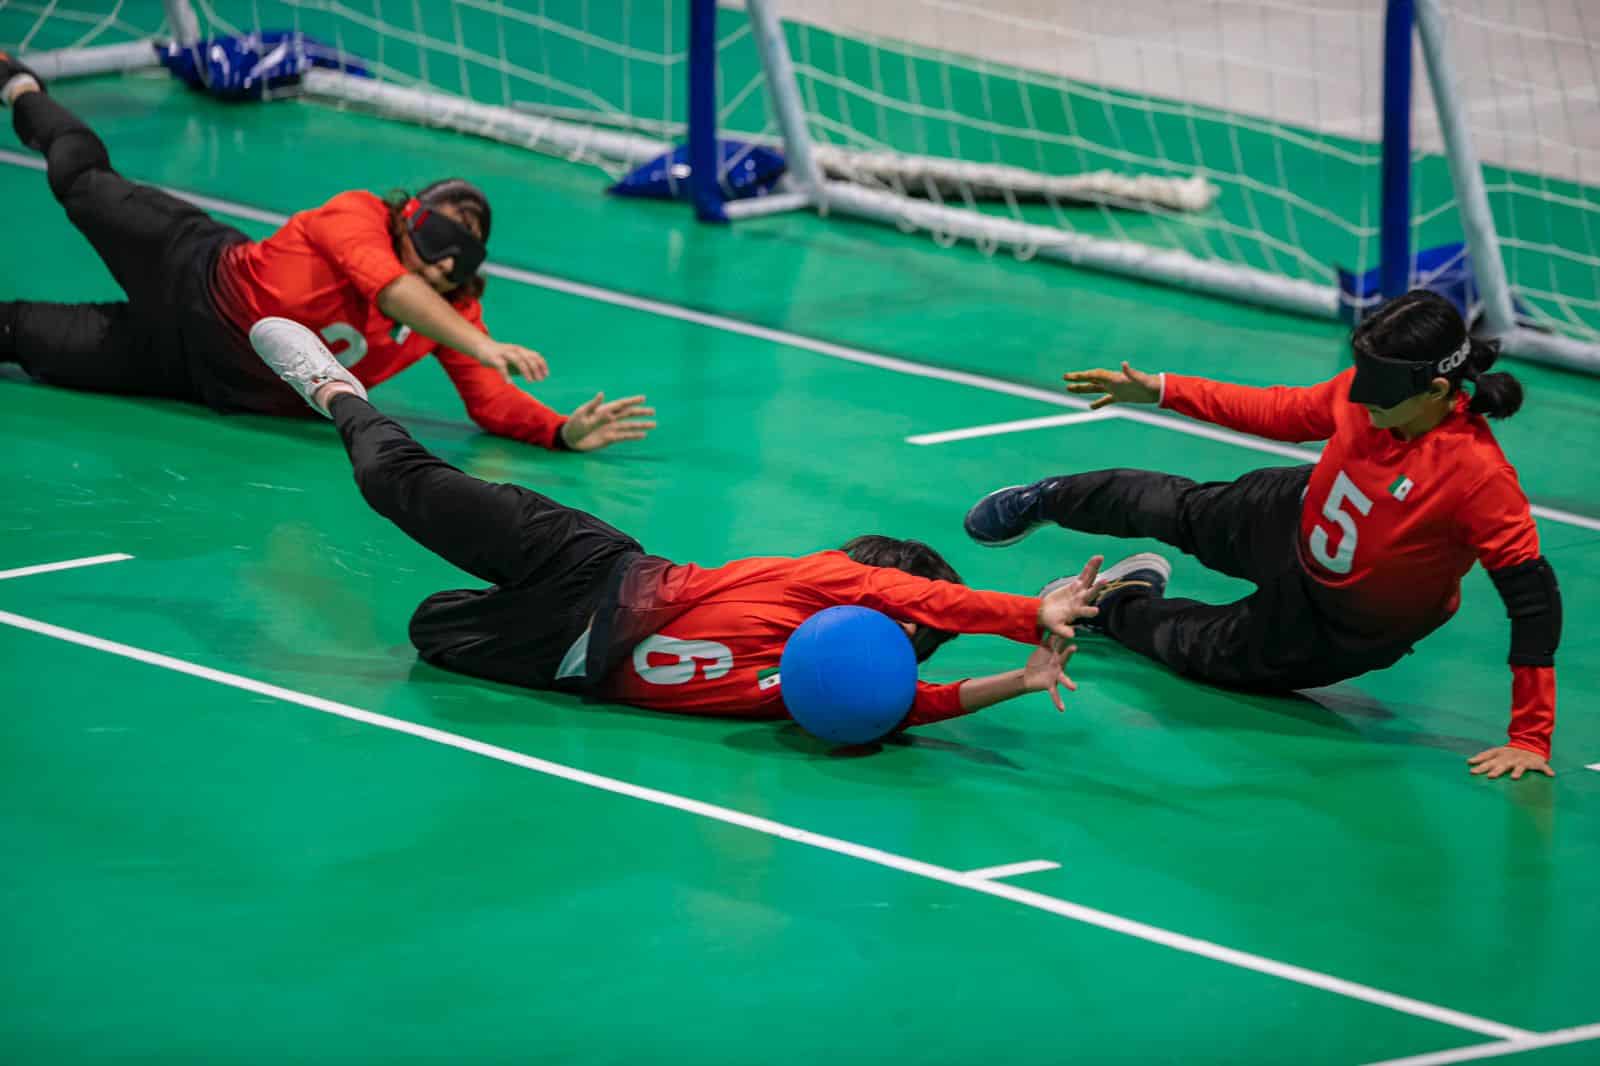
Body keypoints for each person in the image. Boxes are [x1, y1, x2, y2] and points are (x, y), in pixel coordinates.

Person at [247, 315, 1107, 728]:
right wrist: (1024, 612)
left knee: (429, 631)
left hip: (573, 662)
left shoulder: (821, 692)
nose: (909, 639)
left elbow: (914, 704)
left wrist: (1021, 679)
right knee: (401, 486)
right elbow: (893, 594)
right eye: (912, 622)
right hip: (591, 570)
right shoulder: (824, 587)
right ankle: (335, 389)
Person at [964, 289, 1562, 779]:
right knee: (1177, 507)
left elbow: (1532, 602)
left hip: (1339, 626)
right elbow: (1279, 411)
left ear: (1433, 392)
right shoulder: (1373, 394)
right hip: (1292, 515)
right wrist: (1162, 390)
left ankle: (1116, 601)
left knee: (1198, 649)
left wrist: (1530, 739)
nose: (1359, 399)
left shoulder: (1478, 478)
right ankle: (1044, 498)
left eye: (1377, 394)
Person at [0, 54, 653, 452]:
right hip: (189, 270)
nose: (446, 266)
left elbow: (490, 402)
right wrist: (484, 345)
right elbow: (390, 288)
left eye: (464, 256)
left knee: (22, 334)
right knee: (83, 185)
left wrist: (560, 430)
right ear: (407, 217)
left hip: (198, 377)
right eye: (439, 241)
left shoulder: (449, 312)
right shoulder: (357, 216)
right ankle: (21, 87)